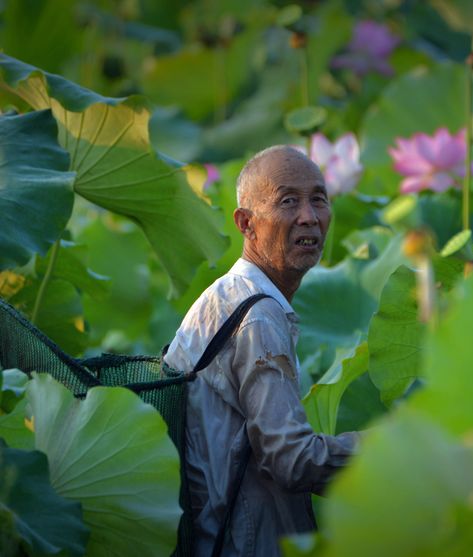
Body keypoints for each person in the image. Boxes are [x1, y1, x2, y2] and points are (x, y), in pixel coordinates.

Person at [163, 146, 360, 557]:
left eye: (318, 199)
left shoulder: (230, 295)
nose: (309, 216)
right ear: (246, 223)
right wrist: (390, 448)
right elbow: (291, 459)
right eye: (288, 201)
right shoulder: (258, 316)